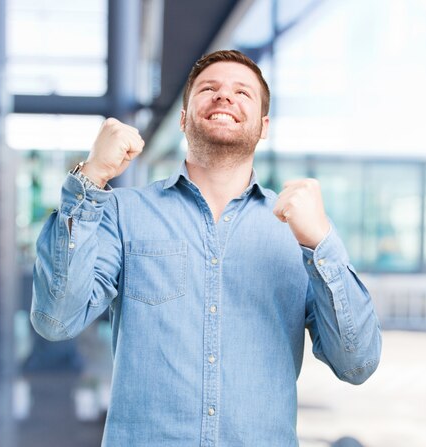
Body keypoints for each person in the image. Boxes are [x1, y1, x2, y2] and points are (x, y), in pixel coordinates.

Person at [31, 49, 382, 446]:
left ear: (263, 126)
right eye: (209, 88)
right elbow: (56, 320)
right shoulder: (122, 212)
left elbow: (358, 364)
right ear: (183, 118)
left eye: (242, 92)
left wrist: (322, 244)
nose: (224, 96)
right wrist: (90, 178)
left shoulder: (299, 232)